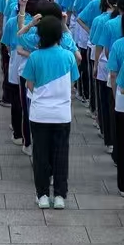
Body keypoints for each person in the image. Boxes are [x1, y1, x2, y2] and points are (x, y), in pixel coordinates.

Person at [21, 13, 81, 209]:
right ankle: (60, 195)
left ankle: (43, 195)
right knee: (61, 154)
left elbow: (30, 84)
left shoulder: (35, 57)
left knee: (40, 155)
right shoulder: (69, 57)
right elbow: (72, 83)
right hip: (62, 114)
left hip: (39, 113)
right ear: (59, 35)